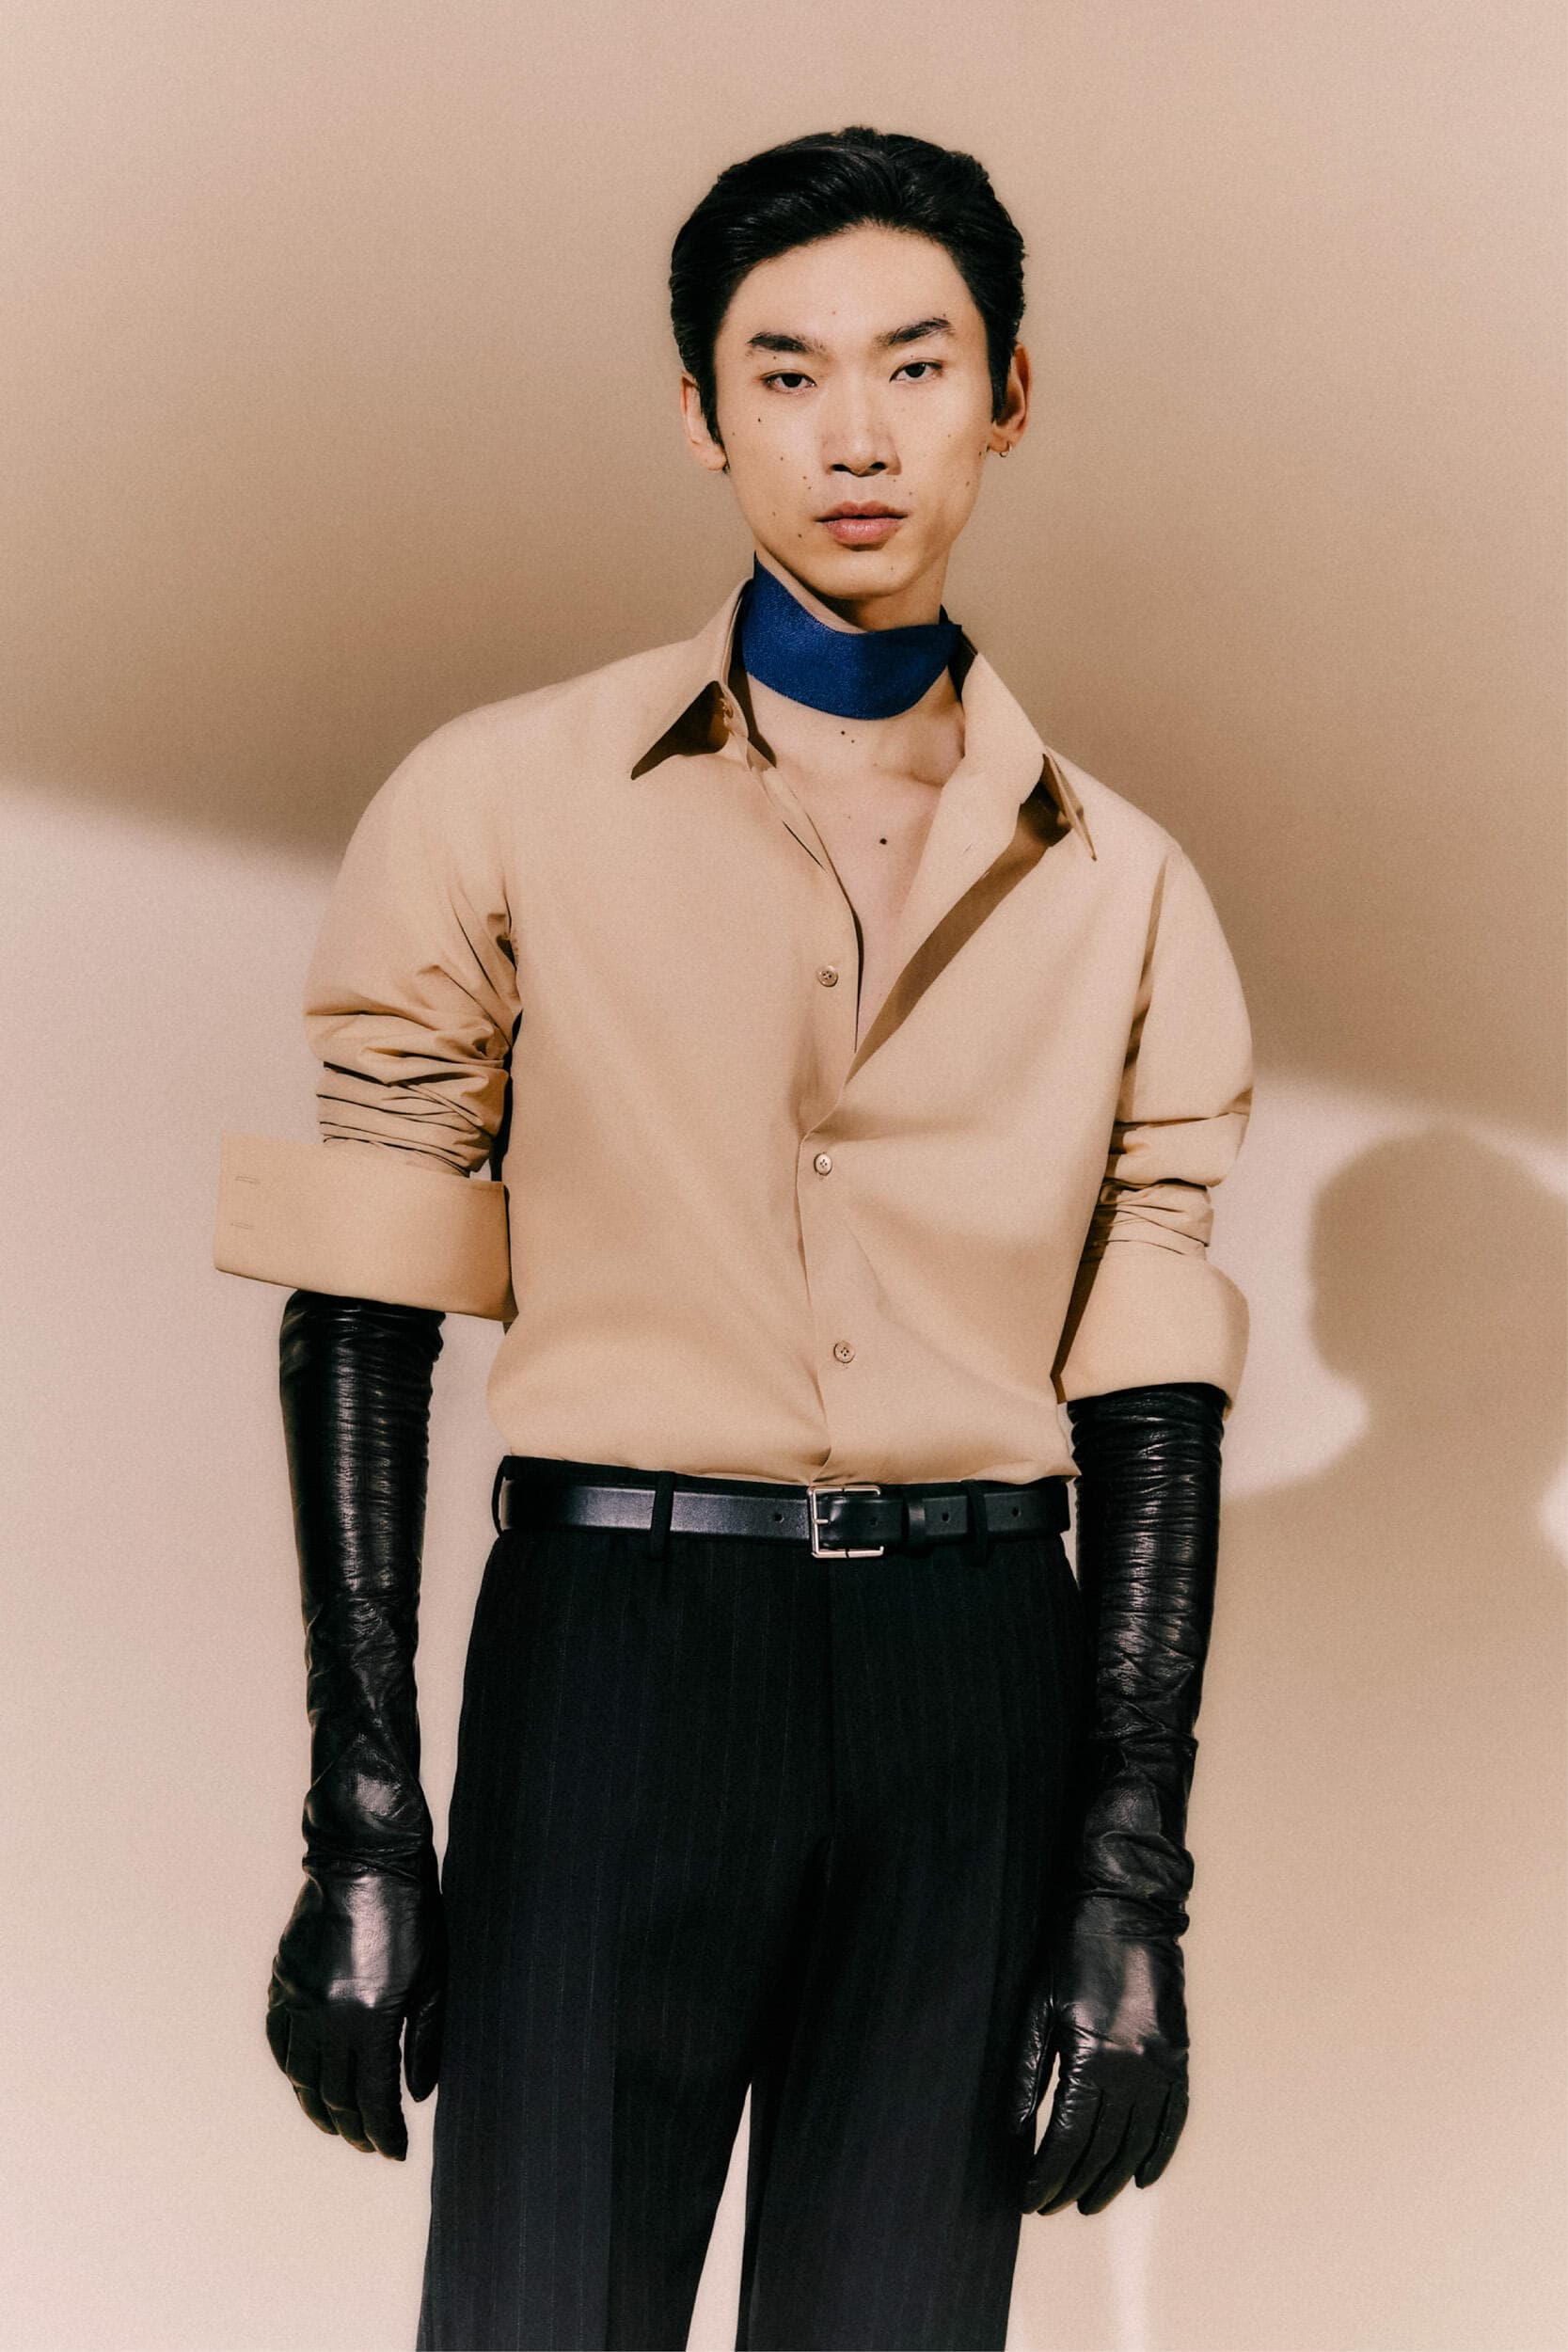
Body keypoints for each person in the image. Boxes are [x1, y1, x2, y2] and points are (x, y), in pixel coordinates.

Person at [214, 124, 1254, 2352]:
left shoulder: (1130, 889)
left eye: (915, 364)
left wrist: (1126, 1877)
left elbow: (1155, 1400)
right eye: (787, 372)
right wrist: (364, 1815)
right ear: (702, 410)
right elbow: (364, 1302)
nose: (856, 436)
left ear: (1010, 393)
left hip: (977, 1677)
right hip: (621, 1646)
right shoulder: (494, 800)